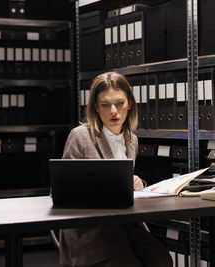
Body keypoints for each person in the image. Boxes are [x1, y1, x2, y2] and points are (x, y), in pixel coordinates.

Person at [59, 72, 172, 267]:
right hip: (91, 228)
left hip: (125, 223)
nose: (114, 111)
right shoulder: (80, 136)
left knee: (162, 260)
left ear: (129, 104)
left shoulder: (131, 139)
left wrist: (136, 183)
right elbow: (60, 191)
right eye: (105, 105)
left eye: (119, 103)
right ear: (96, 106)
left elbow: (122, 181)